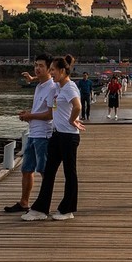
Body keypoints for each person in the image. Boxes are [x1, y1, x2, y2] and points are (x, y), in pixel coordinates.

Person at [24, 55, 86, 221]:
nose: (51, 72)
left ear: (62, 71)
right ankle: (40, 209)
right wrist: (33, 78)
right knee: (49, 171)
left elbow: (78, 106)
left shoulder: (70, 87)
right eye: (50, 69)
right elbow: (47, 79)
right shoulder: (59, 86)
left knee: (69, 173)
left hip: (69, 136)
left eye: (53, 70)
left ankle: (67, 210)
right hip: (57, 135)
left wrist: (72, 120)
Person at [9, 55, 55, 213]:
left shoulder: (52, 88)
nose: (37, 68)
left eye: (41, 66)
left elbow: (50, 115)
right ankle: (24, 202)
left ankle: (44, 205)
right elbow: (39, 109)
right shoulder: (39, 85)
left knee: (43, 170)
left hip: (44, 134)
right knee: (26, 169)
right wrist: (28, 114)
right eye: (36, 65)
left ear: (49, 69)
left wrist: (30, 116)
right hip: (33, 132)